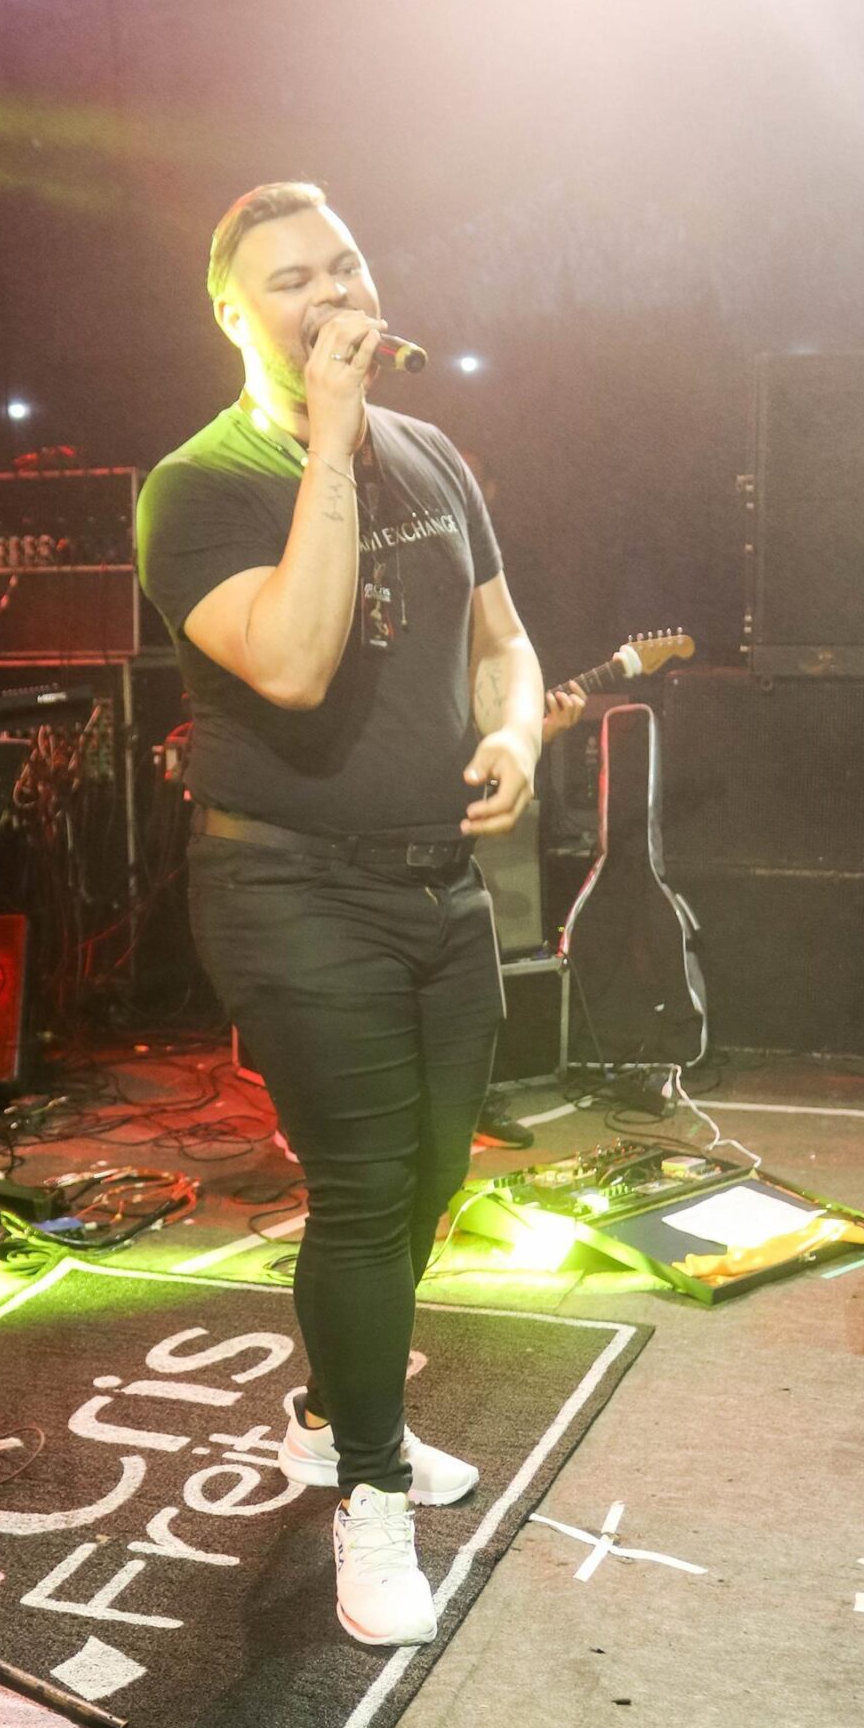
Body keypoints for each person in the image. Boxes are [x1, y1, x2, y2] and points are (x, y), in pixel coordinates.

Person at [137, 182, 544, 1649]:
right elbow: (296, 662)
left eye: (345, 265)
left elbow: (504, 640)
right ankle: (366, 1492)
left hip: (438, 883)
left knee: (431, 1180)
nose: (330, 294)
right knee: (367, 1191)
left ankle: (330, 1415)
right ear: (230, 313)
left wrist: (517, 734)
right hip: (289, 886)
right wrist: (325, 438)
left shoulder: (430, 453)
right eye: (289, 279)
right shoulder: (198, 485)